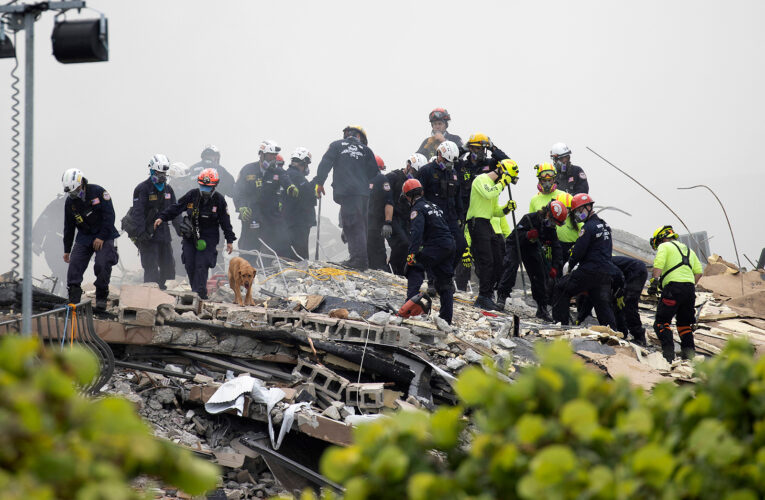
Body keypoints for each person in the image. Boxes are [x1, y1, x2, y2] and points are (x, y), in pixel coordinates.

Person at [154, 168, 236, 299]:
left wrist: (230, 240)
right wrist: (162, 217)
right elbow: (176, 207)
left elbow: (225, 222)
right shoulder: (192, 195)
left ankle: (200, 294)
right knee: (189, 263)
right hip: (190, 236)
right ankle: (195, 291)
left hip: (208, 238)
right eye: (203, 185)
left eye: (208, 187)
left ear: (215, 185)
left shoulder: (219, 200)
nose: (205, 189)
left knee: (201, 264)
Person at [314, 125, 379, 270]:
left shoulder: (336, 145)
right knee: (361, 225)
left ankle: (358, 261)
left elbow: (325, 164)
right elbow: (374, 173)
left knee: (351, 225)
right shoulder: (366, 150)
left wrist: (319, 183)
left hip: (348, 192)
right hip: (363, 194)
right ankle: (359, 259)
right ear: (360, 137)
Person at [454, 133, 510, 290]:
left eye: (483, 149)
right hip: (464, 214)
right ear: (471, 148)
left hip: (483, 216)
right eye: (478, 148)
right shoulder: (461, 165)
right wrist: (463, 149)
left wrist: (493, 148)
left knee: (484, 257)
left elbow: (508, 163)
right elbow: (448, 157)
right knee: (463, 254)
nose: (481, 152)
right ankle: (461, 289)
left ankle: (487, 290)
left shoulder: (490, 164)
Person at [552, 193, 617, 329]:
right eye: (575, 212)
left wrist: (570, 266)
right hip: (605, 273)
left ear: (588, 207)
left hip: (590, 271)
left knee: (561, 288)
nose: (576, 215)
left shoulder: (587, 228)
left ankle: (561, 326)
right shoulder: (604, 226)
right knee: (602, 305)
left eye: (578, 211)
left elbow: (578, 252)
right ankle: (613, 332)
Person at [61, 168, 120, 310]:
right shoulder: (70, 202)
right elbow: (69, 227)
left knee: (102, 263)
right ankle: (74, 298)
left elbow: (110, 216)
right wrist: (67, 250)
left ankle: (101, 296)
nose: (73, 195)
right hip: (85, 236)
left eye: (75, 191)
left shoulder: (99, 192)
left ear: (82, 184)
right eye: (70, 193)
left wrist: (101, 237)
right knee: (74, 264)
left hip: (104, 234)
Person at [499, 201, 568, 320]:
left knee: (540, 274)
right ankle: (502, 296)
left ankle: (542, 308)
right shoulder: (529, 218)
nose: (552, 225)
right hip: (516, 245)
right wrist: (527, 235)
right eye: (552, 222)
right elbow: (515, 236)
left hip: (532, 249)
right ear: (547, 214)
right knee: (511, 266)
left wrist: (555, 268)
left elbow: (556, 249)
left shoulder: (550, 229)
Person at [465, 159, 519, 310]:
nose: (505, 184)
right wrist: (502, 183)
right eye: (507, 180)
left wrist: (506, 209)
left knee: (497, 258)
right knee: (486, 260)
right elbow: (488, 194)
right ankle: (483, 296)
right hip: (476, 222)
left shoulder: (495, 187)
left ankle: (488, 294)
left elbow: (494, 210)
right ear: (502, 172)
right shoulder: (481, 180)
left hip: (486, 223)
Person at [402, 179, 455, 324]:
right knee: (445, 283)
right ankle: (446, 320)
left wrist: (411, 254)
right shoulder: (435, 206)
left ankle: (408, 309)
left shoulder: (417, 209)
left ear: (408, 196)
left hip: (436, 244)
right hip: (449, 244)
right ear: (422, 192)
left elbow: (416, 233)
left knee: (414, 267)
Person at [648, 225, 703, 362]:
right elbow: (699, 272)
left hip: (673, 288)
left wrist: (654, 282)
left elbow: (659, 263)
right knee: (684, 324)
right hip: (689, 290)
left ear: (660, 239)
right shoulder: (690, 250)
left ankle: (668, 357)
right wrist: (686, 285)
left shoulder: (664, 246)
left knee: (661, 322)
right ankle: (689, 358)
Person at [235, 140, 297, 260]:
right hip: (251, 214)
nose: (273, 158)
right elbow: (238, 191)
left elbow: (285, 179)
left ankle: (275, 269)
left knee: (281, 240)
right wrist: (241, 206)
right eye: (270, 155)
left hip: (271, 216)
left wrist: (290, 186)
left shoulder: (277, 172)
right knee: (249, 246)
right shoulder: (248, 169)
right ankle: (246, 270)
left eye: (274, 155)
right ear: (262, 154)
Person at [417, 141, 465, 284]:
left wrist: (461, 216)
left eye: (452, 162)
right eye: (446, 160)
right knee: (435, 248)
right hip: (433, 218)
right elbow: (419, 196)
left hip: (450, 218)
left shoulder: (453, 173)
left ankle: (446, 275)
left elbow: (457, 196)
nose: (449, 164)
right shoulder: (426, 171)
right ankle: (433, 280)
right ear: (439, 155)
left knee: (460, 245)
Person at [130, 154, 179, 290]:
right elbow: (138, 213)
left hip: (164, 236)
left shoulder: (168, 190)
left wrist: (182, 230)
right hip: (148, 236)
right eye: (159, 173)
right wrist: (141, 234)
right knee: (151, 269)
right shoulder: (142, 189)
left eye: (164, 173)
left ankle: (168, 299)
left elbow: (174, 212)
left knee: (169, 267)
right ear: (152, 171)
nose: (162, 176)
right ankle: (151, 300)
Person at [385, 153, 427, 275]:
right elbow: (384, 198)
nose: (414, 175)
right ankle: (392, 269)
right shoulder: (393, 177)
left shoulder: (416, 183)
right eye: (413, 171)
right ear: (408, 166)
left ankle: (399, 272)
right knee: (403, 243)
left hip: (406, 219)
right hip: (392, 217)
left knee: (409, 245)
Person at [283, 147, 317, 260]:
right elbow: (308, 193)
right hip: (299, 221)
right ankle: (300, 271)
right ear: (303, 163)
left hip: (292, 219)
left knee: (292, 250)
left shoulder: (287, 174)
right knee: (300, 252)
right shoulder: (296, 175)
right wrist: (317, 181)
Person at [32, 194, 67, 292]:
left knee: (68, 275)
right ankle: (53, 295)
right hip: (53, 243)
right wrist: (36, 241)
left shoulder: (85, 205)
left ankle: (66, 299)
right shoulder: (57, 204)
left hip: (73, 246)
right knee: (60, 272)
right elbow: (43, 220)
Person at [613, 256, 648, 345]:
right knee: (619, 304)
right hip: (635, 271)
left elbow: (619, 275)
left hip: (636, 271)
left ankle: (639, 336)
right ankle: (622, 332)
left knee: (629, 304)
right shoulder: (603, 262)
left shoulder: (604, 264)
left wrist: (621, 292)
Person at [367, 155, 393, 270]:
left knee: (377, 256)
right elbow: (389, 202)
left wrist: (387, 222)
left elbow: (389, 202)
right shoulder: (380, 179)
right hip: (368, 225)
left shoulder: (381, 179)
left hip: (373, 225)